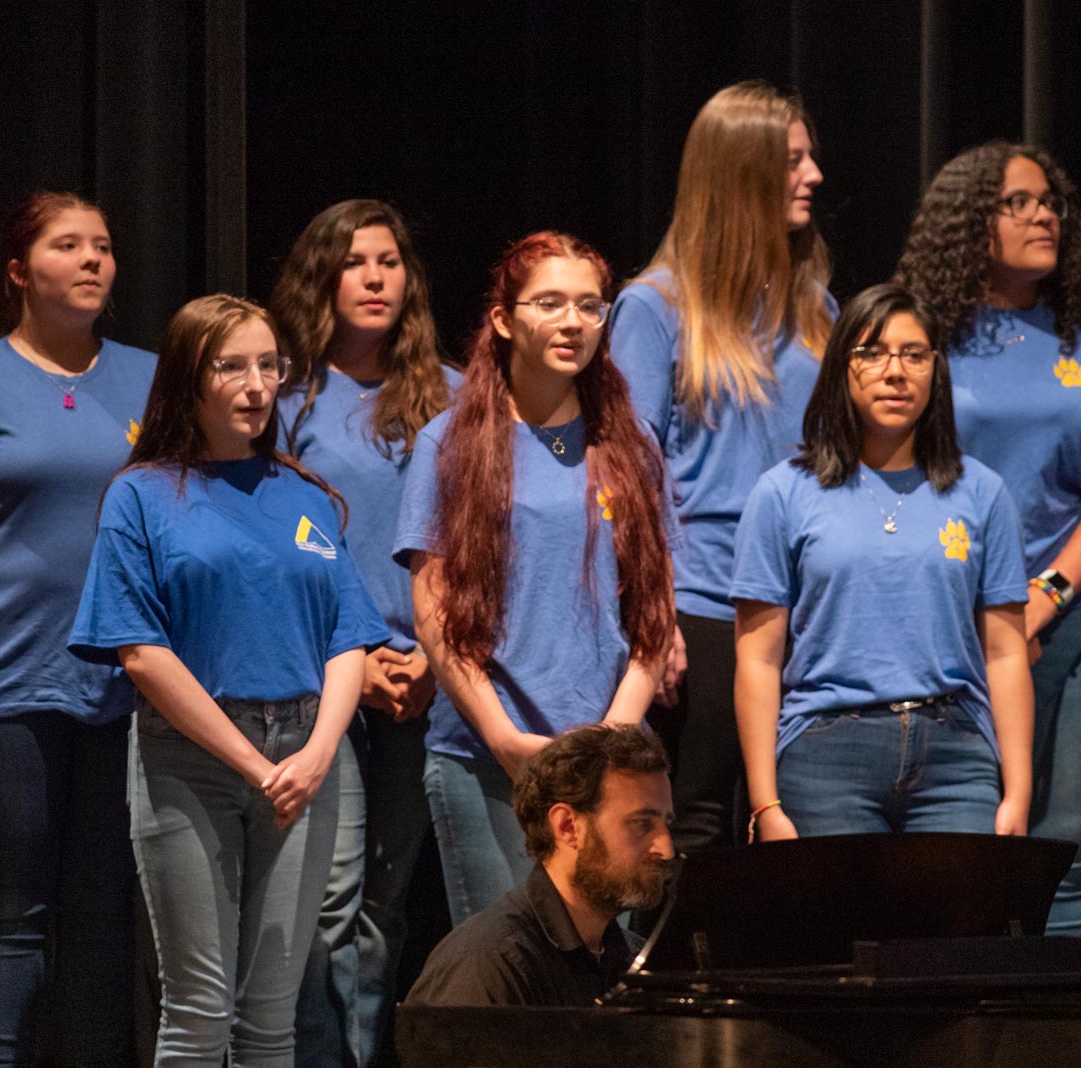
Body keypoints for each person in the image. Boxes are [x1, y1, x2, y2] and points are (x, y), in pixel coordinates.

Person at [68, 294, 389, 1064]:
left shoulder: (306, 495)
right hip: (194, 760)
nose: (256, 385)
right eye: (232, 367)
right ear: (190, 379)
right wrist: (253, 764)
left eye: (269, 366)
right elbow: (141, 652)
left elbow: (348, 638)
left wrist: (315, 755)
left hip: (306, 760)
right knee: (199, 1010)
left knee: (272, 1020)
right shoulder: (142, 494)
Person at [0, 191, 155, 1066]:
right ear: (18, 271)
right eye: (67, 245)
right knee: (12, 906)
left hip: (124, 682)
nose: (92, 260)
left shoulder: (150, 377)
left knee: (102, 907)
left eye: (103, 246)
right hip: (3, 682)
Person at [893, 143, 1081, 933]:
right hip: (951, 616)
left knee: (1066, 837)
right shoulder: (928, 332)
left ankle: (1071, 1003)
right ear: (970, 220)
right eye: (1019, 203)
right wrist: (995, 609)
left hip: (1072, 615)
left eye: (1050, 203)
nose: (1044, 216)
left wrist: (1044, 597)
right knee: (966, 835)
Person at [396, 232, 675, 925]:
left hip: (608, 760)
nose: (572, 321)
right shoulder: (449, 442)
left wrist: (613, 736)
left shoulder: (631, 442)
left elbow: (653, 609)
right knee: (511, 964)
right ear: (503, 319)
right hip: (488, 759)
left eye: (589, 306)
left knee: (605, 963)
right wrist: (501, 737)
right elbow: (433, 608)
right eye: (549, 303)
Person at [609, 80, 836, 854]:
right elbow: (628, 473)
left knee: (797, 820)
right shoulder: (655, 308)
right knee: (696, 819)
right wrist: (654, 610)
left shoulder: (816, 310)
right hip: (705, 601)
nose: (814, 176)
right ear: (742, 174)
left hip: (806, 602)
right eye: (793, 161)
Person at [732, 284, 1033, 842]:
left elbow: (1006, 652)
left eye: (914, 354)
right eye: (871, 353)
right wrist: (764, 802)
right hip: (826, 755)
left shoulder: (983, 492)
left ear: (935, 370)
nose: (895, 372)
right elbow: (758, 659)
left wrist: (1017, 793)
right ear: (841, 368)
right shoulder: (782, 493)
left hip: (956, 756)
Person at [271, 198, 459, 1067]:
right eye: (355, 262)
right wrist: (353, 658)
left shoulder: (455, 396)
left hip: (429, 677)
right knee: (329, 900)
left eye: (390, 262)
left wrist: (433, 660)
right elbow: (276, 548)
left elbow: (479, 542)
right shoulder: (287, 399)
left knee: (386, 904)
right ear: (322, 277)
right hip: (325, 678)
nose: (376, 278)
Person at [407, 725, 674, 1007]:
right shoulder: (489, 962)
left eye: (666, 824)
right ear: (567, 826)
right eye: (642, 824)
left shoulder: (632, 961)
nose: (666, 850)